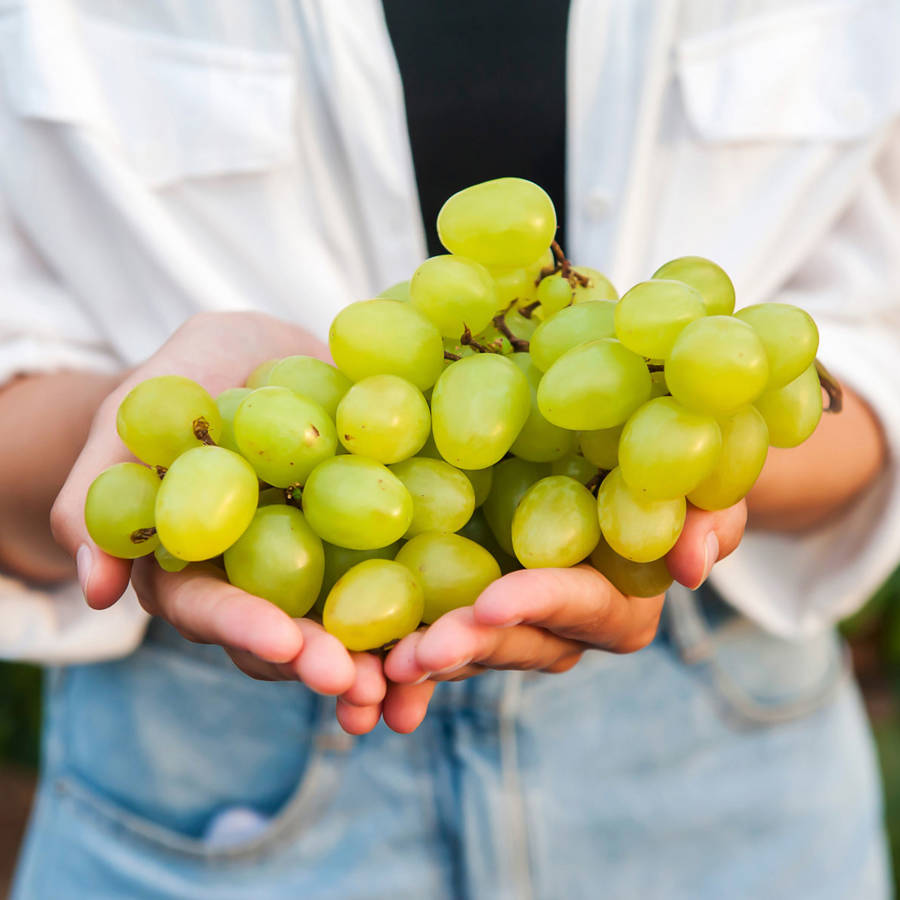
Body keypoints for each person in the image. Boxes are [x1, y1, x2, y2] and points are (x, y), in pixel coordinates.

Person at [0, 1, 896, 896]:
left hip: (723, 766)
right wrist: (107, 437)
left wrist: (689, 473)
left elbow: (878, 355)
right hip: (202, 752)